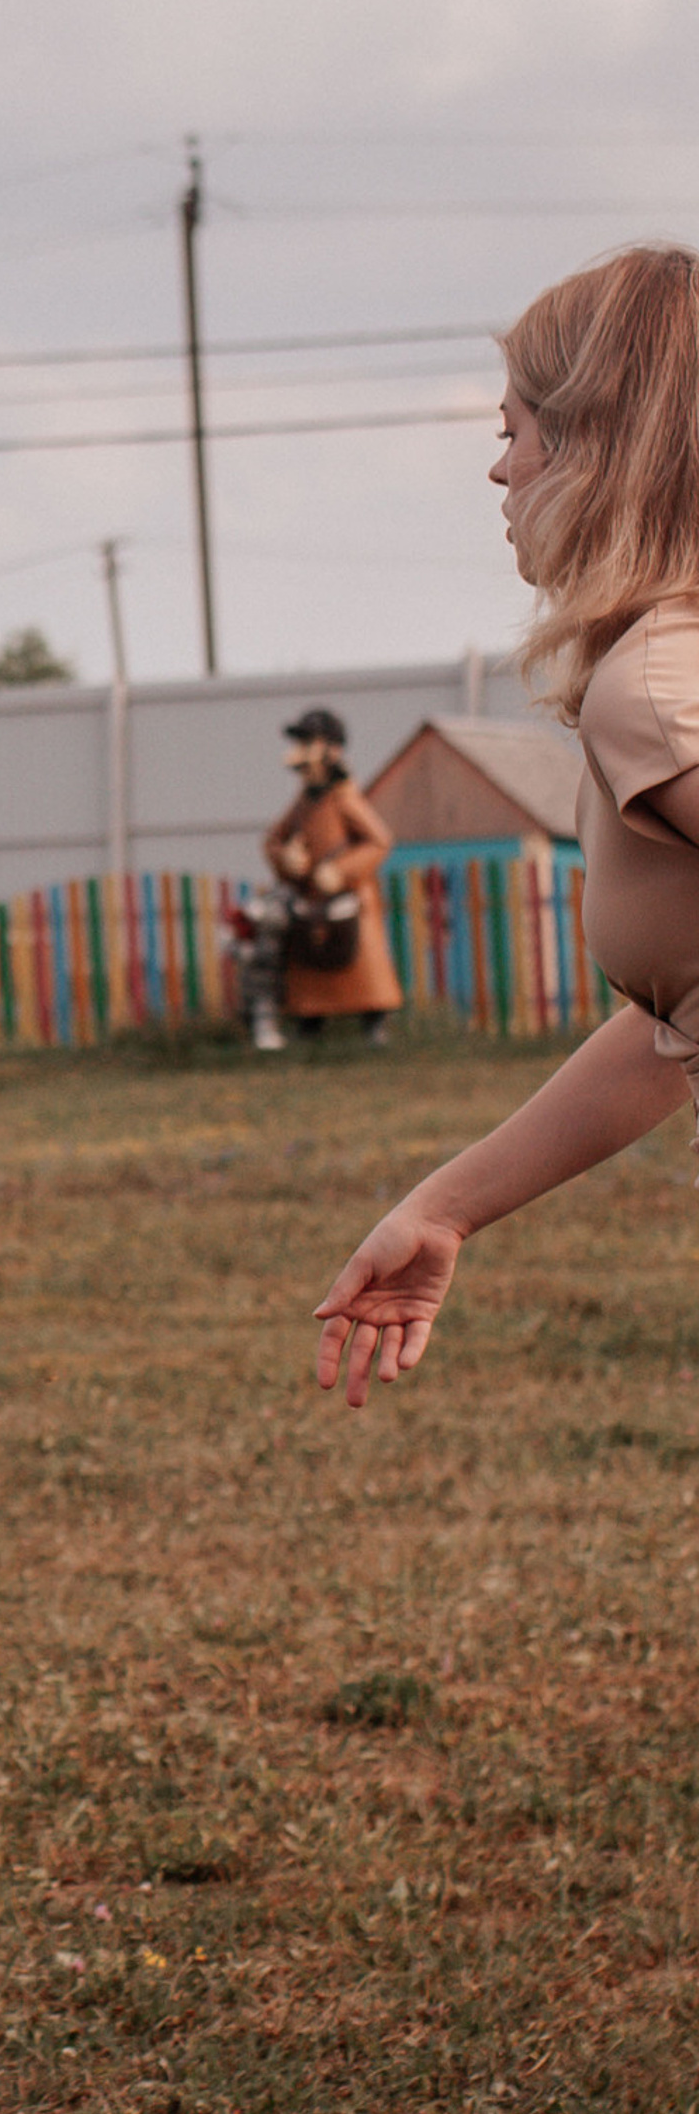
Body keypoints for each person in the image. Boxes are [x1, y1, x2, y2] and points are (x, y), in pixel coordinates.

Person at [314, 246, 699, 1407]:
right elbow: (675, 1025)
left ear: (594, 450)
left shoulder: (655, 686)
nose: (497, 470)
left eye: (515, 430)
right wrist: (444, 1206)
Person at [265, 708, 404, 1047]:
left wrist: (341, 871)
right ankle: (310, 1023)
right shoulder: (303, 803)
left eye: (307, 741)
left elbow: (379, 840)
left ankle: (374, 1022)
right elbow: (273, 841)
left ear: (332, 750)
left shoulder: (344, 799)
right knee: (310, 964)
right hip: (312, 901)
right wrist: (286, 859)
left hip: (349, 900)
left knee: (360, 962)